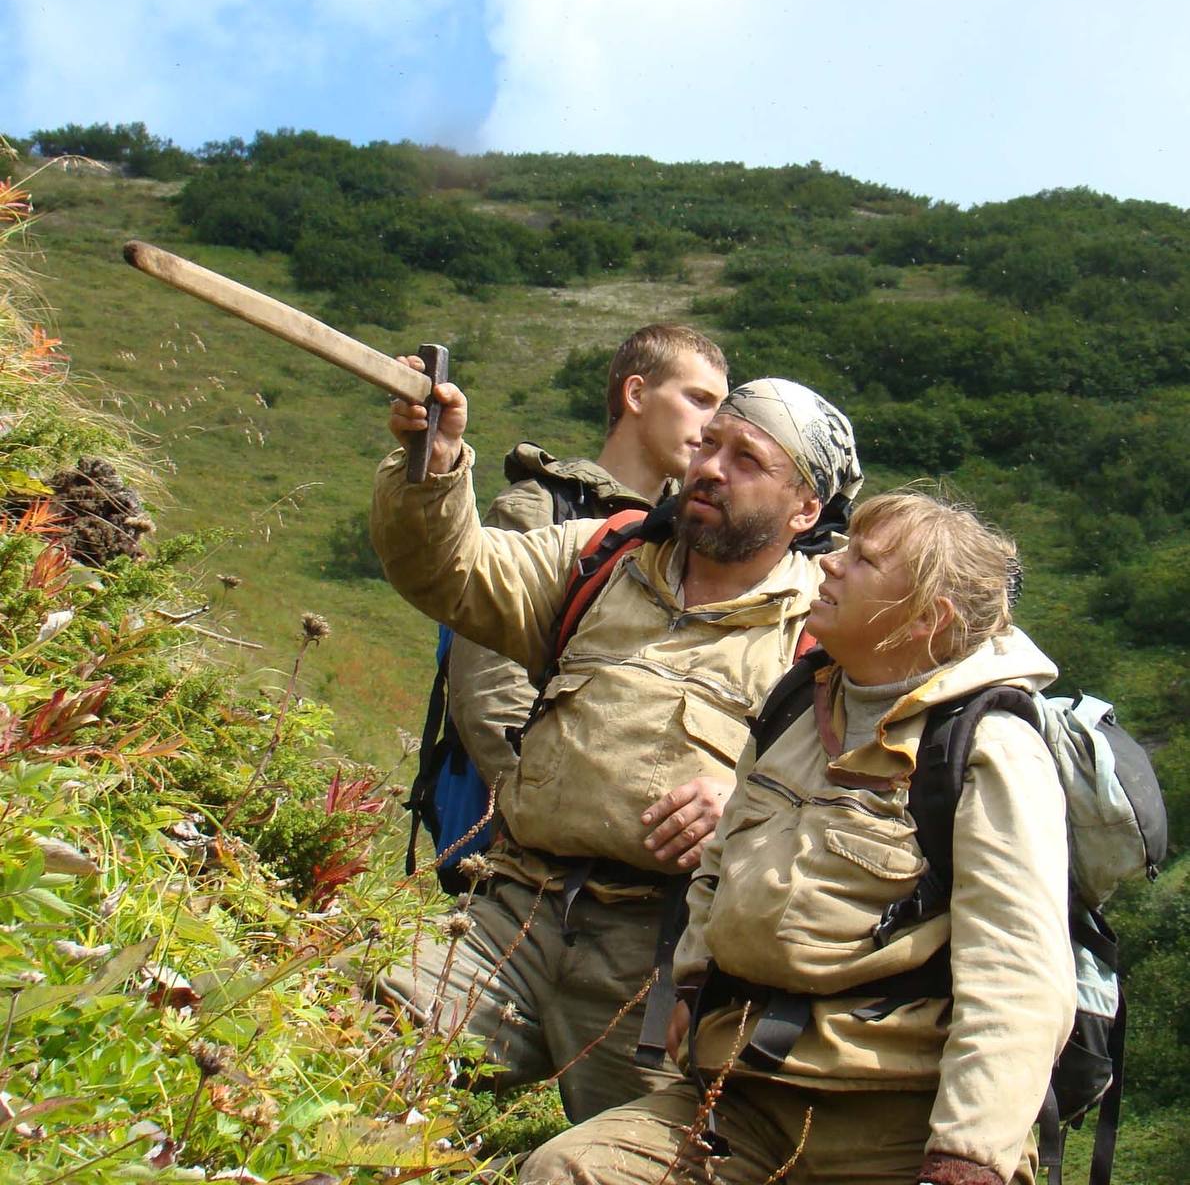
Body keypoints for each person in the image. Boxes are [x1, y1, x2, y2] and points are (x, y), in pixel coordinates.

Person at [521, 491, 1075, 1185]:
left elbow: (1020, 974)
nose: (830, 566)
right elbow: (720, 860)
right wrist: (692, 983)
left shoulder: (987, 749)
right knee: (570, 1171)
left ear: (928, 619)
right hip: (746, 1098)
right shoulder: (798, 704)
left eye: (863, 560)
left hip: (899, 1126)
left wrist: (966, 1159)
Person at [367, 374, 862, 1122]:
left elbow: (868, 813)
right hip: (510, 918)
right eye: (710, 444)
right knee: (335, 1041)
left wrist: (752, 802)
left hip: (668, 966)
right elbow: (450, 573)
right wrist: (434, 465)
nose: (711, 468)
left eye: (748, 460)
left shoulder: (830, 637)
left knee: (657, 1164)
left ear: (806, 508)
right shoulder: (600, 558)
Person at [448, 324, 729, 802]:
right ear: (636, 394)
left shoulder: (697, 534)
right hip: (537, 830)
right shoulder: (539, 510)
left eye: (721, 409)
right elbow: (491, 690)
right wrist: (536, 813)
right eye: (699, 400)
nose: (713, 426)